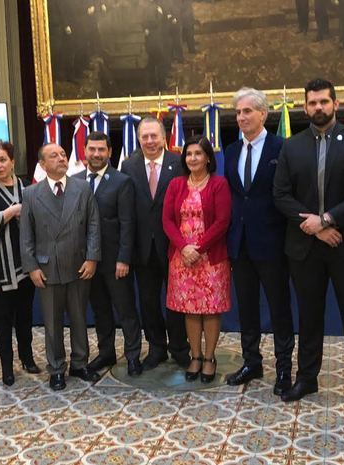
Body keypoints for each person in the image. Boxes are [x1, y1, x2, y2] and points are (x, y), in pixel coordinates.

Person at [273, 78, 344, 412]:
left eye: (324, 102)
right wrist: (315, 228)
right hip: (305, 248)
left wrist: (328, 219)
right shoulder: (291, 146)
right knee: (309, 317)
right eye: (312, 103)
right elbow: (281, 195)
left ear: (335, 104)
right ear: (305, 107)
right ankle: (307, 378)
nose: (318, 107)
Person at [224, 88, 294, 395]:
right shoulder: (229, 151)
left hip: (272, 243)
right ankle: (252, 362)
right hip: (239, 245)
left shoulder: (282, 148)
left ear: (263, 114)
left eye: (247, 111)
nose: (241, 117)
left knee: (279, 309)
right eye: (238, 112)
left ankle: (283, 369)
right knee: (247, 308)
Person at [20, 143, 101, 391]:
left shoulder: (82, 187)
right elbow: (26, 235)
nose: (61, 158)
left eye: (63, 154)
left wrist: (92, 258)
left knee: (79, 318)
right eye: (54, 156)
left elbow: (93, 225)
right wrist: (31, 266)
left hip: (78, 265)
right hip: (47, 269)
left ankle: (80, 363)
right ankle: (56, 369)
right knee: (53, 323)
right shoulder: (31, 194)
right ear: (43, 165)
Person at [121, 117, 190, 370]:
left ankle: (180, 348)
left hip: (173, 247)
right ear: (139, 140)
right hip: (142, 249)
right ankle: (157, 347)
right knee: (149, 302)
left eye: (154, 136)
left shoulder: (178, 163)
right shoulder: (129, 166)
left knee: (175, 302)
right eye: (145, 137)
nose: (150, 141)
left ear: (164, 137)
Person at [163, 135, 232, 383]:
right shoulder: (176, 185)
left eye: (198, 154)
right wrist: (184, 248)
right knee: (190, 310)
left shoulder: (219, 184)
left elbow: (222, 222)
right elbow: (168, 221)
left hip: (210, 258)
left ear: (208, 158)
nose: (193, 158)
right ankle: (195, 356)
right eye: (189, 154)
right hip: (182, 259)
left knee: (211, 310)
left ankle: (209, 358)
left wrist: (198, 248)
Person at [74, 132, 143, 376]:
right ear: (84, 150)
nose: (96, 154)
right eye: (92, 149)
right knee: (100, 310)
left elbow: (128, 223)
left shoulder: (121, 181)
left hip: (116, 262)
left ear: (110, 152)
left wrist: (124, 258)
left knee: (125, 310)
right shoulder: (75, 181)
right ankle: (106, 353)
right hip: (88, 263)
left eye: (101, 150)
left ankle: (133, 355)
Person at [0, 140, 40, 386]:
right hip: (1, 266)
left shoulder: (24, 186)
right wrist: (11, 212)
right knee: (3, 318)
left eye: (2, 160)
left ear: (12, 161)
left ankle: (27, 357)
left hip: (26, 262)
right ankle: (6, 367)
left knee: (25, 314)